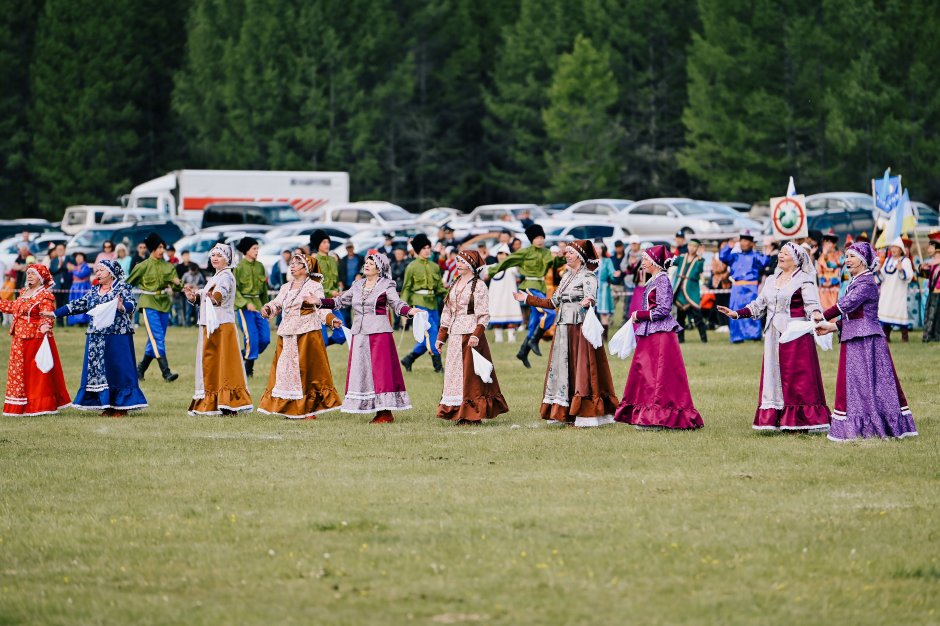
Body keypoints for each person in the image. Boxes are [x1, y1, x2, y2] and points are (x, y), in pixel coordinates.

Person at [717, 242, 830, 432]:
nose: (780, 255)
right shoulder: (771, 279)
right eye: (780, 253)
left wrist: (817, 316)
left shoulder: (804, 279)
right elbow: (758, 305)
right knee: (774, 374)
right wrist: (736, 314)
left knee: (796, 377)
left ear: (796, 260)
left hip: (795, 334)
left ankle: (801, 420)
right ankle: (777, 417)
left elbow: (812, 305)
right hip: (772, 334)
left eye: (785, 253)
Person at [816, 242, 917, 441]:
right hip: (856, 336)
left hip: (867, 340)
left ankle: (874, 424)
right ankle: (861, 424)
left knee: (869, 384)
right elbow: (854, 316)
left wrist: (823, 315)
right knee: (857, 385)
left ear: (863, 261)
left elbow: (847, 304)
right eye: (846, 257)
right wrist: (831, 326)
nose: (847, 261)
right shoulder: (856, 281)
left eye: (851, 257)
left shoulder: (867, 282)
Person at [513, 240, 619, 427]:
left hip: (579, 328)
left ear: (579, 256)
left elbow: (591, 296)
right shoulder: (566, 276)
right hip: (563, 328)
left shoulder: (588, 276)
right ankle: (564, 410)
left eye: (570, 252)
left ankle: (586, 411)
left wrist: (588, 300)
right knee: (563, 367)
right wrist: (527, 299)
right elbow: (552, 303)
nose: (566, 255)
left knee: (582, 367)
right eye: (566, 252)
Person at [318, 252, 417, 423]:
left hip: (379, 333)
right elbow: (340, 301)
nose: (367, 265)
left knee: (381, 372)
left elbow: (396, 304)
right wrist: (318, 301)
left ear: (380, 268)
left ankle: (385, 412)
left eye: (371, 263)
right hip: (360, 333)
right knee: (364, 371)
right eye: (366, 262)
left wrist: (409, 311)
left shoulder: (387, 284)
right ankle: (374, 407)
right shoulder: (357, 284)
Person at [615, 245, 703, 430]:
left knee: (659, 376)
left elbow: (663, 309)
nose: (643, 262)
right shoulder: (653, 280)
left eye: (646, 259)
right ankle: (646, 413)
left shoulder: (662, 281)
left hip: (661, 334)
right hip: (650, 332)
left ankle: (657, 416)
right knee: (645, 374)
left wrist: (640, 315)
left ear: (655, 262)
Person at [47, 260, 147, 416]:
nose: (98, 273)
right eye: (97, 270)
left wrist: (122, 307)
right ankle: (107, 405)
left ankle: (121, 407)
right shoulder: (94, 290)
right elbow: (78, 305)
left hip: (117, 336)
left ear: (111, 273)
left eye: (101, 270)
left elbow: (132, 305)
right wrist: (54, 313)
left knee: (118, 370)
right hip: (96, 338)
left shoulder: (122, 288)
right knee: (100, 371)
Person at [258, 253, 342, 419]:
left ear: (306, 268)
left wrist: (331, 320)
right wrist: (268, 308)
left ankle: (309, 409)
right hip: (287, 334)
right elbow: (277, 303)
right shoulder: (285, 287)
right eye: (292, 262)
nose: (293, 265)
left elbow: (322, 308)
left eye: (297, 263)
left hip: (307, 334)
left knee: (306, 372)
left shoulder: (314, 286)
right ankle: (290, 408)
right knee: (286, 371)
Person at [435, 250, 509, 423]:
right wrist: (441, 337)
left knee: (472, 376)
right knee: (455, 374)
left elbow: (483, 315)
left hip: (471, 335)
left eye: (461, 262)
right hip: (455, 335)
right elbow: (447, 312)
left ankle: (473, 414)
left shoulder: (479, 286)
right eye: (457, 261)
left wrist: (476, 335)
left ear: (470, 265)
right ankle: (457, 411)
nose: (458, 264)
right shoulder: (455, 283)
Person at [183, 244, 253, 416]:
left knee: (225, 365)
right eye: (213, 255)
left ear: (227, 259)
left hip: (222, 326)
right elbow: (208, 295)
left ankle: (228, 402)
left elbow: (221, 293)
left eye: (219, 255)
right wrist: (195, 297)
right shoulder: (216, 276)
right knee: (212, 364)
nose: (214, 258)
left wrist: (214, 298)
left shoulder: (226, 276)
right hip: (212, 326)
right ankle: (215, 400)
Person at [1, 264, 71, 416]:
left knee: (36, 374)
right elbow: (13, 307)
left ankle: (39, 405)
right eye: (28, 273)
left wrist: (46, 325)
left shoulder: (44, 295)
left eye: (33, 273)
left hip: (36, 338)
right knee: (19, 373)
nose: (29, 276)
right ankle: (21, 405)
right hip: (19, 338)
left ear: (40, 278)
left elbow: (47, 314)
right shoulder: (24, 292)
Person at [491, 224, 563, 368]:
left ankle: (523, 351)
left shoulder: (547, 252)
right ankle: (534, 341)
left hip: (541, 287)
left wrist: (561, 258)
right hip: (530, 287)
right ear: (531, 239)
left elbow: (554, 264)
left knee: (535, 321)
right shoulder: (525, 252)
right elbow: (508, 261)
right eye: (537, 237)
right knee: (549, 313)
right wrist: (492, 270)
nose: (540, 240)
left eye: (542, 237)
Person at [127, 232, 182, 382]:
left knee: (155, 340)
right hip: (148, 303)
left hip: (164, 304)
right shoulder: (142, 266)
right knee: (157, 338)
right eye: (159, 247)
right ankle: (166, 372)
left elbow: (177, 287)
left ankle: (140, 370)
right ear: (152, 248)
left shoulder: (168, 266)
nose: (162, 250)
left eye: (163, 247)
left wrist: (178, 284)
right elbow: (127, 284)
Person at [400, 233, 448, 373]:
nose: (427, 250)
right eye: (424, 248)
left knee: (427, 337)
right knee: (433, 332)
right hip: (419, 305)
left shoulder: (435, 266)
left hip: (433, 304)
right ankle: (438, 367)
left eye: (429, 247)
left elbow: (439, 288)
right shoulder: (411, 267)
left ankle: (409, 359)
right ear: (417, 249)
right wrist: (403, 309)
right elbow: (406, 288)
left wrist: (451, 296)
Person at [718, 232, 769, 342]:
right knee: (735, 310)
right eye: (741, 240)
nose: (743, 243)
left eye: (746, 241)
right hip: (737, 287)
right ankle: (737, 337)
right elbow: (722, 257)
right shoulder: (735, 256)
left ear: (751, 243)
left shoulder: (755, 256)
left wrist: (762, 250)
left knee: (753, 309)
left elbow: (765, 262)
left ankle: (754, 335)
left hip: (751, 287)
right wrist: (729, 247)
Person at [233, 237, 271, 377]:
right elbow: (234, 290)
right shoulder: (239, 268)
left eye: (257, 248)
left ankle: (244, 353)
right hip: (245, 308)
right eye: (254, 248)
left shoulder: (260, 266)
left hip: (259, 306)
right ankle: (248, 371)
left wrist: (268, 307)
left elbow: (264, 290)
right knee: (252, 338)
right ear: (246, 251)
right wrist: (244, 303)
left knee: (266, 339)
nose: (257, 251)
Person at [309, 230, 345, 346]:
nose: (327, 244)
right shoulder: (313, 262)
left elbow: (335, 281)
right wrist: (330, 291)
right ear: (317, 244)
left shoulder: (333, 260)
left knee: (342, 334)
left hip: (332, 302)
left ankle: (322, 347)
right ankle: (321, 347)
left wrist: (338, 291)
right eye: (324, 242)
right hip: (318, 304)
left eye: (328, 242)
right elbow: (312, 286)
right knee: (322, 338)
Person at [878, 237, 914, 342]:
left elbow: (909, 276)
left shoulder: (905, 261)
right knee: (885, 312)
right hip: (887, 293)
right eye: (892, 247)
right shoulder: (887, 261)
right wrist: (878, 271)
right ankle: (886, 337)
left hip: (898, 293)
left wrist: (901, 270)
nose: (893, 249)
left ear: (900, 249)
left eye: (896, 247)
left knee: (900, 313)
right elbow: (882, 278)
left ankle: (905, 338)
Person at [672, 237, 708, 343]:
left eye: (694, 246)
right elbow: (670, 261)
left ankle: (704, 339)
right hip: (680, 293)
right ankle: (680, 339)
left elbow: (699, 269)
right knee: (680, 318)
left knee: (698, 318)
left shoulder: (699, 260)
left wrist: (700, 257)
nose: (692, 248)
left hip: (691, 292)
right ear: (687, 246)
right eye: (690, 246)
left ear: (697, 248)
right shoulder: (681, 258)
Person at [487, 244, 523, 343]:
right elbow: (483, 273)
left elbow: (520, 271)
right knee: (496, 317)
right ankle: (498, 337)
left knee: (511, 317)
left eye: (505, 254)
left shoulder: (512, 268)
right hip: (496, 297)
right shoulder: (492, 267)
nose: (502, 256)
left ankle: (511, 336)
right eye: (500, 253)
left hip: (508, 297)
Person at [919, 233, 940, 342]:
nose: (929, 249)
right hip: (933, 292)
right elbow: (926, 276)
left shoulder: (935, 263)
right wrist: (922, 268)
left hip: (938, 292)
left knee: (935, 315)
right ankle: (929, 335)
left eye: (931, 246)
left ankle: (933, 335)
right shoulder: (931, 263)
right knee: (930, 314)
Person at [622, 235, 647, 320]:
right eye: (632, 244)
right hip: (631, 283)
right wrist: (630, 265)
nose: (634, 245)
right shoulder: (628, 253)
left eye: (635, 244)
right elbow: (625, 268)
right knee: (629, 302)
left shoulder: (644, 258)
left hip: (642, 285)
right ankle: (627, 319)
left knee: (640, 304)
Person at [46, 244, 72, 326]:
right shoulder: (54, 261)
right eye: (58, 249)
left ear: (64, 250)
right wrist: (60, 266)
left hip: (67, 285)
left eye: (61, 249)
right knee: (59, 304)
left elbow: (72, 269)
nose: (60, 251)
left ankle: (69, 323)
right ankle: (59, 323)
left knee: (68, 304)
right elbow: (52, 271)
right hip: (57, 286)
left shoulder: (70, 259)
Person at [816, 231, 842, 311]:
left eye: (829, 242)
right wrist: (823, 281)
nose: (826, 244)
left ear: (834, 244)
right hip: (824, 289)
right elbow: (819, 271)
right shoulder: (821, 257)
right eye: (825, 241)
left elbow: (838, 270)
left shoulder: (839, 256)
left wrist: (833, 281)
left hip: (836, 288)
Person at [66, 251, 92, 326]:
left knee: (83, 303)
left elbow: (81, 275)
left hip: (83, 288)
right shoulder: (75, 267)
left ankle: (83, 321)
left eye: (80, 257)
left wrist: (73, 269)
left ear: (83, 258)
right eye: (77, 257)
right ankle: (73, 321)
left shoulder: (86, 267)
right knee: (73, 303)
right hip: (74, 287)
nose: (78, 258)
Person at [596, 243, 617, 331]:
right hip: (591, 289)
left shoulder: (607, 261)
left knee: (603, 313)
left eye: (599, 248)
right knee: (590, 313)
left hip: (603, 289)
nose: (597, 250)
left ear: (603, 249)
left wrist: (614, 275)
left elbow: (611, 272)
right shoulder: (589, 261)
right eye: (595, 248)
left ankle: (604, 337)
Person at [181, 262, 205, 326]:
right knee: (188, 310)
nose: (193, 273)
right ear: (189, 269)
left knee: (197, 310)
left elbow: (204, 285)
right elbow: (181, 285)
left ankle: (198, 323)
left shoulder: (199, 275)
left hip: (197, 295)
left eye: (195, 271)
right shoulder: (186, 275)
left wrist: (197, 286)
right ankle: (187, 323)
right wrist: (186, 286)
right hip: (188, 295)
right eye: (192, 271)